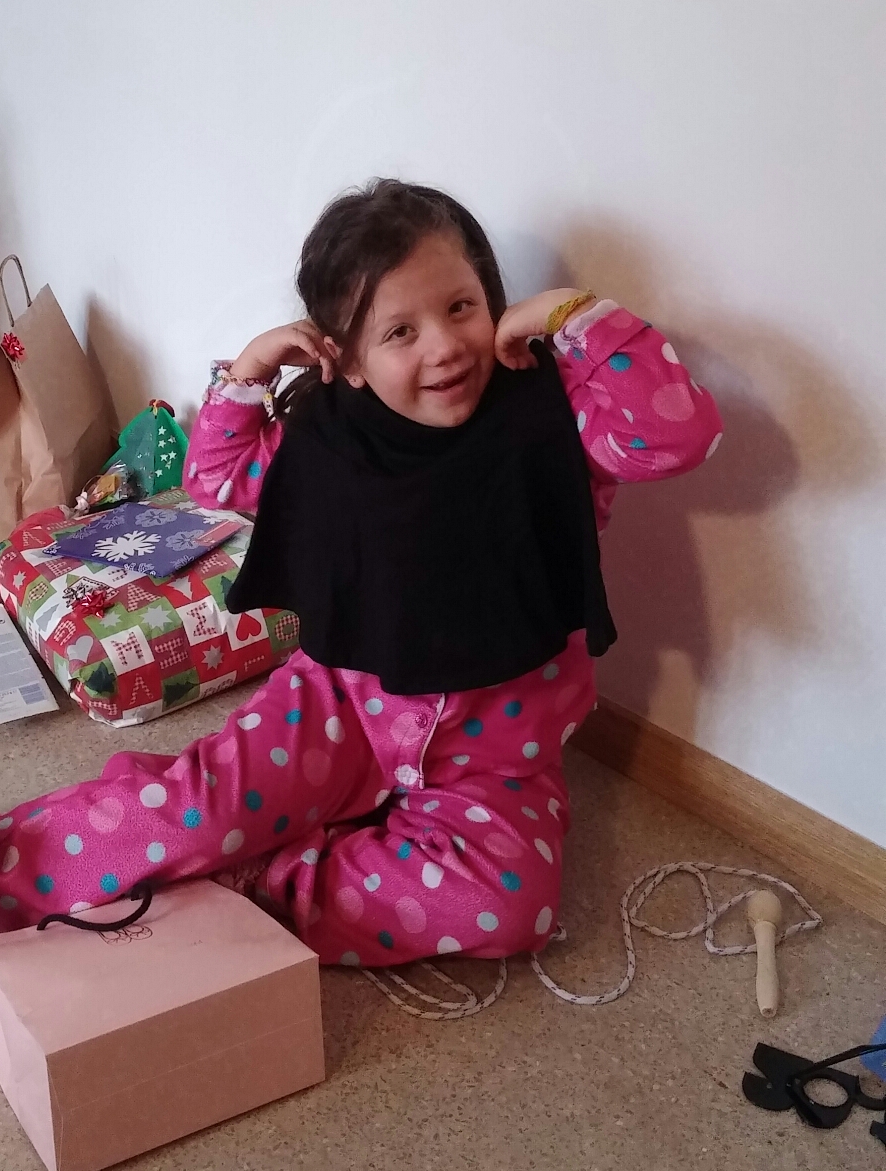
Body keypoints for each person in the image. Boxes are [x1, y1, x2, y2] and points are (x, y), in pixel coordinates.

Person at [48, 180, 722, 969]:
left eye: (462, 307)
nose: (445, 346)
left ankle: (263, 880)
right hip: (346, 705)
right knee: (199, 808)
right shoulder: (326, 436)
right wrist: (252, 370)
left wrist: (571, 313)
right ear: (349, 361)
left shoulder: (554, 409)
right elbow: (215, 478)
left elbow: (677, 436)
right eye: (401, 331)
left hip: (494, 749)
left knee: (508, 909)